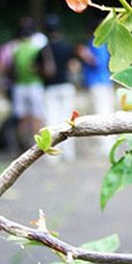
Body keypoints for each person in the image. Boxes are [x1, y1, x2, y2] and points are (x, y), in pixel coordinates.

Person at [38, 14, 77, 160]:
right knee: (68, 120)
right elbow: (73, 66)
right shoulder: (66, 46)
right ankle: (69, 153)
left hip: (50, 88)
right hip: (66, 86)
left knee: (51, 119)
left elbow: (38, 69)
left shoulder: (44, 50)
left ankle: (52, 154)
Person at [77, 30, 115, 153]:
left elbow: (97, 62)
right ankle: (108, 144)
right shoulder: (104, 42)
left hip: (97, 82)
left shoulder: (95, 43)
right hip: (105, 81)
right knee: (106, 112)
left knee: (100, 113)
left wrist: (84, 54)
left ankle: (104, 145)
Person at [11, 21, 45, 148]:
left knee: (22, 118)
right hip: (35, 84)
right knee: (37, 116)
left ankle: (23, 146)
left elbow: (13, 69)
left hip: (19, 85)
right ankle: (39, 146)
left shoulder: (16, 49)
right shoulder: (36, 48)